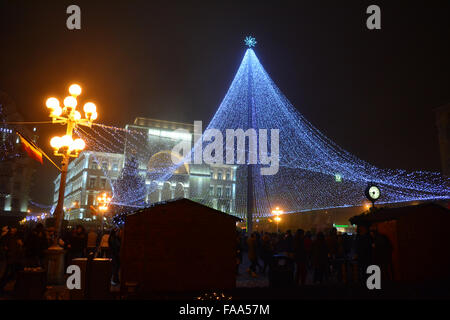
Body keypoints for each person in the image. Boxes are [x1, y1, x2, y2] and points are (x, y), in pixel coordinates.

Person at [0, 227, 24, 293]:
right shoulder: (8, 237)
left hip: (14, 258)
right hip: (11, 258)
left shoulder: (14, 237)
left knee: (11, 273)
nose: (14, 230)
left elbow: (17, 247)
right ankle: (2, 286)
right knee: (9, 274)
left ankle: (4, 286)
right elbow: (6, 247)